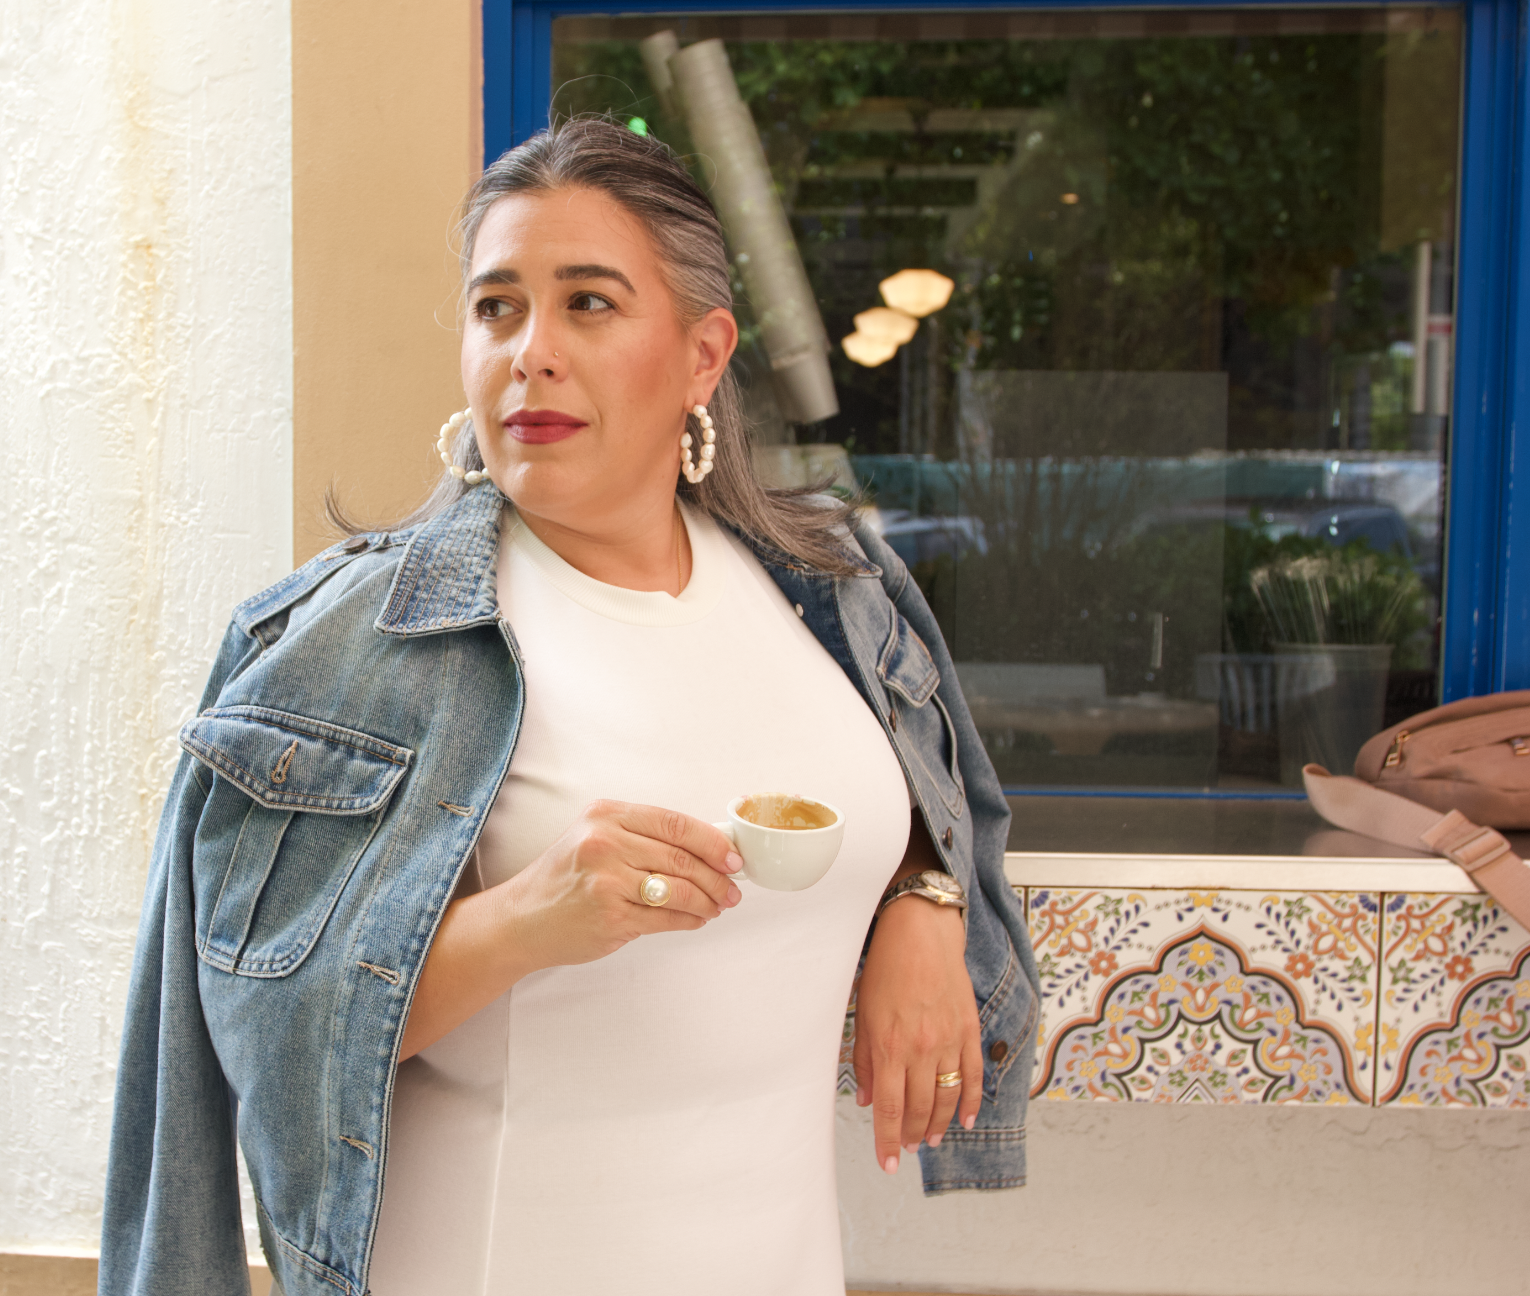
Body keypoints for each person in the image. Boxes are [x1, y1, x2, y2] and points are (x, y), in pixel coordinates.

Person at [99, 118, 1038, 1296]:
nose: (530, 352)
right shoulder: (348, 646)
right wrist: (529, 919)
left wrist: (926, 898)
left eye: (588, 303)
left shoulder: (834, 588)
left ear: (703, 355)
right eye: (497, 308)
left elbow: (929, 798)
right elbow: (257, 1040)